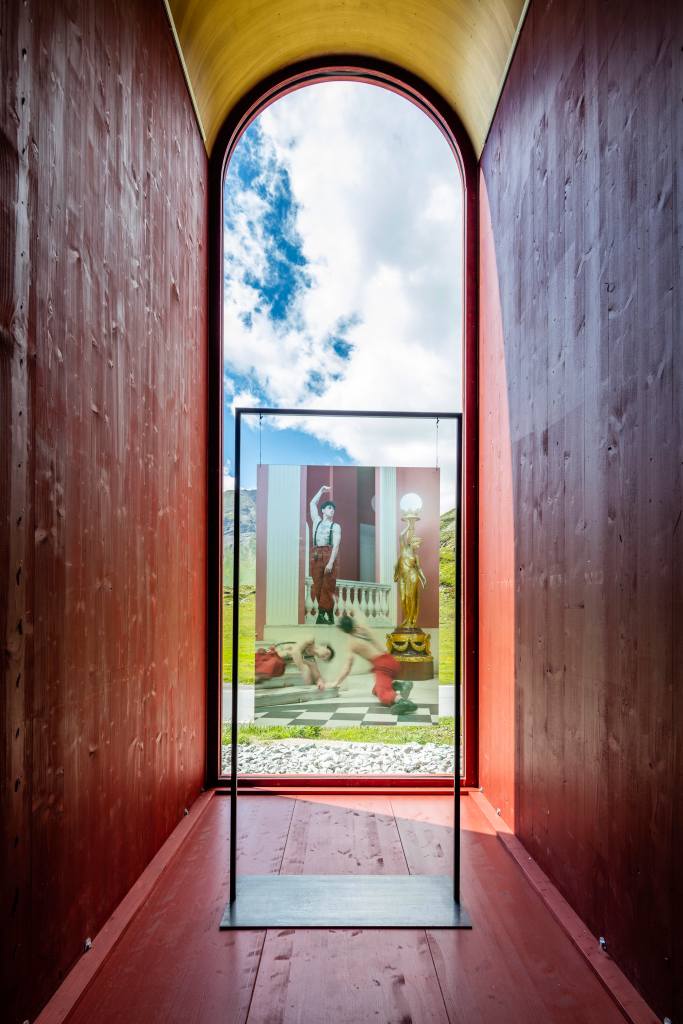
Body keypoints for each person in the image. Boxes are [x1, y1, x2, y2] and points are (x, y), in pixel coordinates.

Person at [335, 609, 418, 713]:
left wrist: (336, 682)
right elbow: (358, 612)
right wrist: (350, 612)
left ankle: (402, 702)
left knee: (382, 693)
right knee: (375, 690)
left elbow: (347, 668)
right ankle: (400, 685)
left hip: (382, 666)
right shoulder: (363, 626)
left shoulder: (352, 643)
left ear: (343, 630)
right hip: (391, 660)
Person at [309, 484, 341, 624]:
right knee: (317, 585)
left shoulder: (336, 526)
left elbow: (336, 545)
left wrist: (331, 562)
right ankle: (328, 614)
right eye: (329, 508)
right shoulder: (316, 521)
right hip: (316, 554)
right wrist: (321, 491)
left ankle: (321, 615)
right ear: (323, 510)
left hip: (329, 554)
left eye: (333, 509)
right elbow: (312, 503)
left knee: (328, 585)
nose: (332, 510)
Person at [255, 637, 335, 691]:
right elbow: (295, 651)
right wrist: (303, 667)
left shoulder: (311, 660)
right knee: (261, 672)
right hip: (271, 656)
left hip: (278, 665)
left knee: (262, 677)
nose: (325, 656)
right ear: (324, 646)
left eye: (326, 658)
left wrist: (320, 682)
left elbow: (317, 676)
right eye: (327, 653)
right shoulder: (310, 640)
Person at [394, 525, 426, 628]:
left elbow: (418, 568)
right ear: (412, 542)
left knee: (411, 597)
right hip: (403, 577)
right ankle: (407, 618)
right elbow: (401, 536)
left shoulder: (416, 556)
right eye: (417, 543)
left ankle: (410, 620)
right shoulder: (403, 549)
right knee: (403, 598)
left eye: (419, 544)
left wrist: (423, 578)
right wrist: (408, 526)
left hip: (412, 576)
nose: (418, 546)